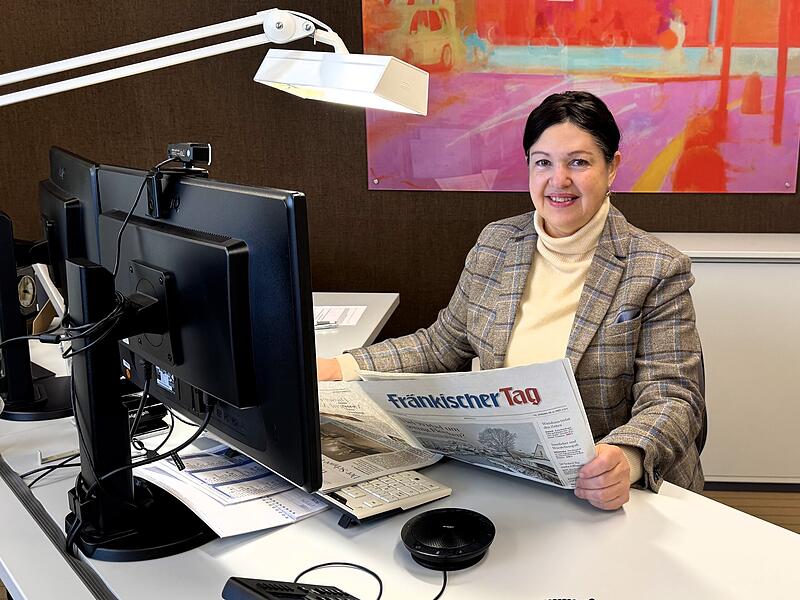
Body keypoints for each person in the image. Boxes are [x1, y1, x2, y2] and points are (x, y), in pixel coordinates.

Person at [318, 91, 705, 510]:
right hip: (512, 475)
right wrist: (341, 366)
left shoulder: (657, 267)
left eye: (579, 162)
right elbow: (442, 343)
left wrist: (627, 459)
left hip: (611, 493)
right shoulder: (498, 243)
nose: (559, 181)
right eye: (543, 162)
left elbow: (672, 396)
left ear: (612, 168)